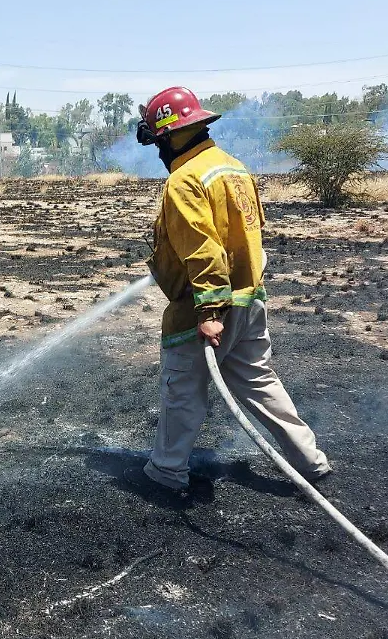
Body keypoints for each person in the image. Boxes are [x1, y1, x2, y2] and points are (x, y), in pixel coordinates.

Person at [135, 86, 332, 494]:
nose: (158, 152)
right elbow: (252, 234)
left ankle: (166, 472)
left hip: (206, 308)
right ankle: (309, 460)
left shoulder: (185, 181)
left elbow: (204, 248)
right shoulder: (233, 168)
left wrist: (209, 314)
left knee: (182, 390)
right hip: (249, 299)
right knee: (259, 381)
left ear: (172, 136)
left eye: (158, 141)